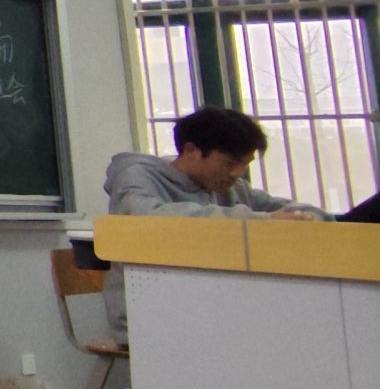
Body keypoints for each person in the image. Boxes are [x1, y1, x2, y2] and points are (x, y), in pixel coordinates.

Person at [102, 105, 328, 339]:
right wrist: (262, 221)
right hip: (150, 317)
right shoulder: (137, 177)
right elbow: (148, 220)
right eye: (229, 163)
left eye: (246, 164)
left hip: (212, 312)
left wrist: (308, 219)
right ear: (191, 150)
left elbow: (282, 208)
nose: (237, 173)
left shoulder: (231, 187)